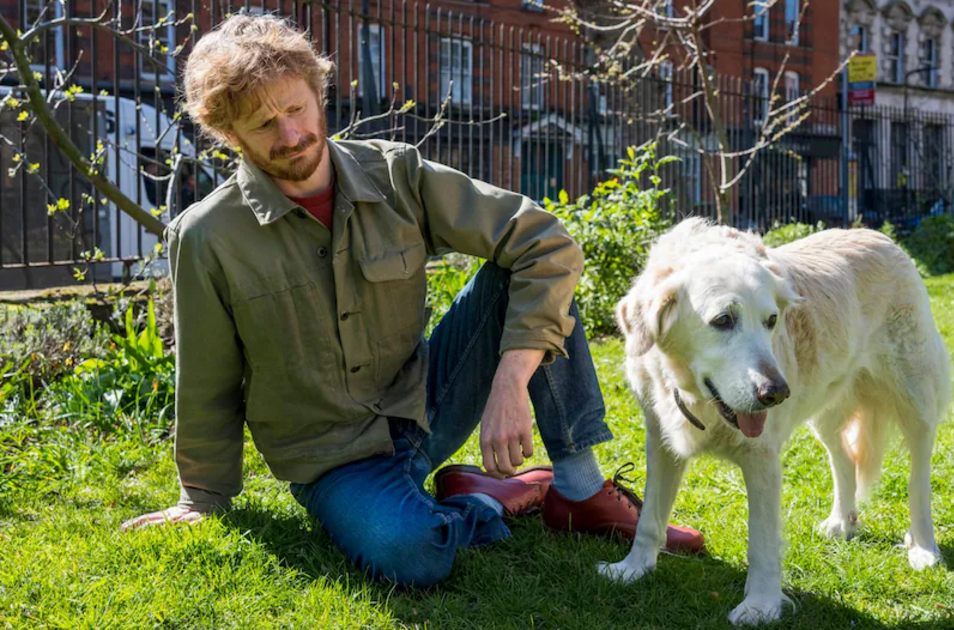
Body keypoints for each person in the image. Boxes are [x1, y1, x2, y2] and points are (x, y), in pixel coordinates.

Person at [120, 14, 702, 587]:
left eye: (295, 109)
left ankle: (578, 491)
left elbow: (545, 242)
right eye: (263, 124)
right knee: (415, 555)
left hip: (425, 404)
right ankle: (491, 500)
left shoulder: (397, 173)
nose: (290, 135)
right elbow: (206, 378)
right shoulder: (207, 236)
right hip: (335, 462)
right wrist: (202, 497)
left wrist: (509, 381)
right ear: (230, 136)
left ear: (318, 95)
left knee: (530, 271)